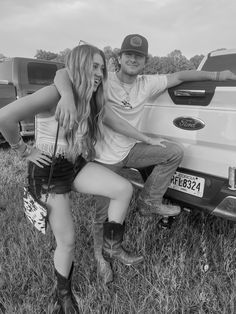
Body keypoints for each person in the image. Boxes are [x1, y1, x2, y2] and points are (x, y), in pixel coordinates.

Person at [53, 34, 236, 285]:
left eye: (138, 56)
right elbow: (63, 73)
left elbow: (180, 77)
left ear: (145, 61)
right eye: (128, 54)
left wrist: (218, 76)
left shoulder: (147, 83)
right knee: (102, 216)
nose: (133, 59)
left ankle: (148, 202)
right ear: (118, 58)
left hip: (131, 150)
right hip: (104, 159)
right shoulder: (104, 81)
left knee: (172, 151)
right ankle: (100, 258)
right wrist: (64, 95)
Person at [0, 43, 160, 313]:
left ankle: (111, 247)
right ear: (78, 67)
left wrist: (146, 138)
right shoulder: (55, 94)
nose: (99, 73)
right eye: (93, 67)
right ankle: (63, 295)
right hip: (49, 170)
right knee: (68, 241)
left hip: (75, 164)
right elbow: (4, 116)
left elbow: (116, 122)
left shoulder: (92, 97)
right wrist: (22, 149)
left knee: (122, 189)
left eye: (101, 68)